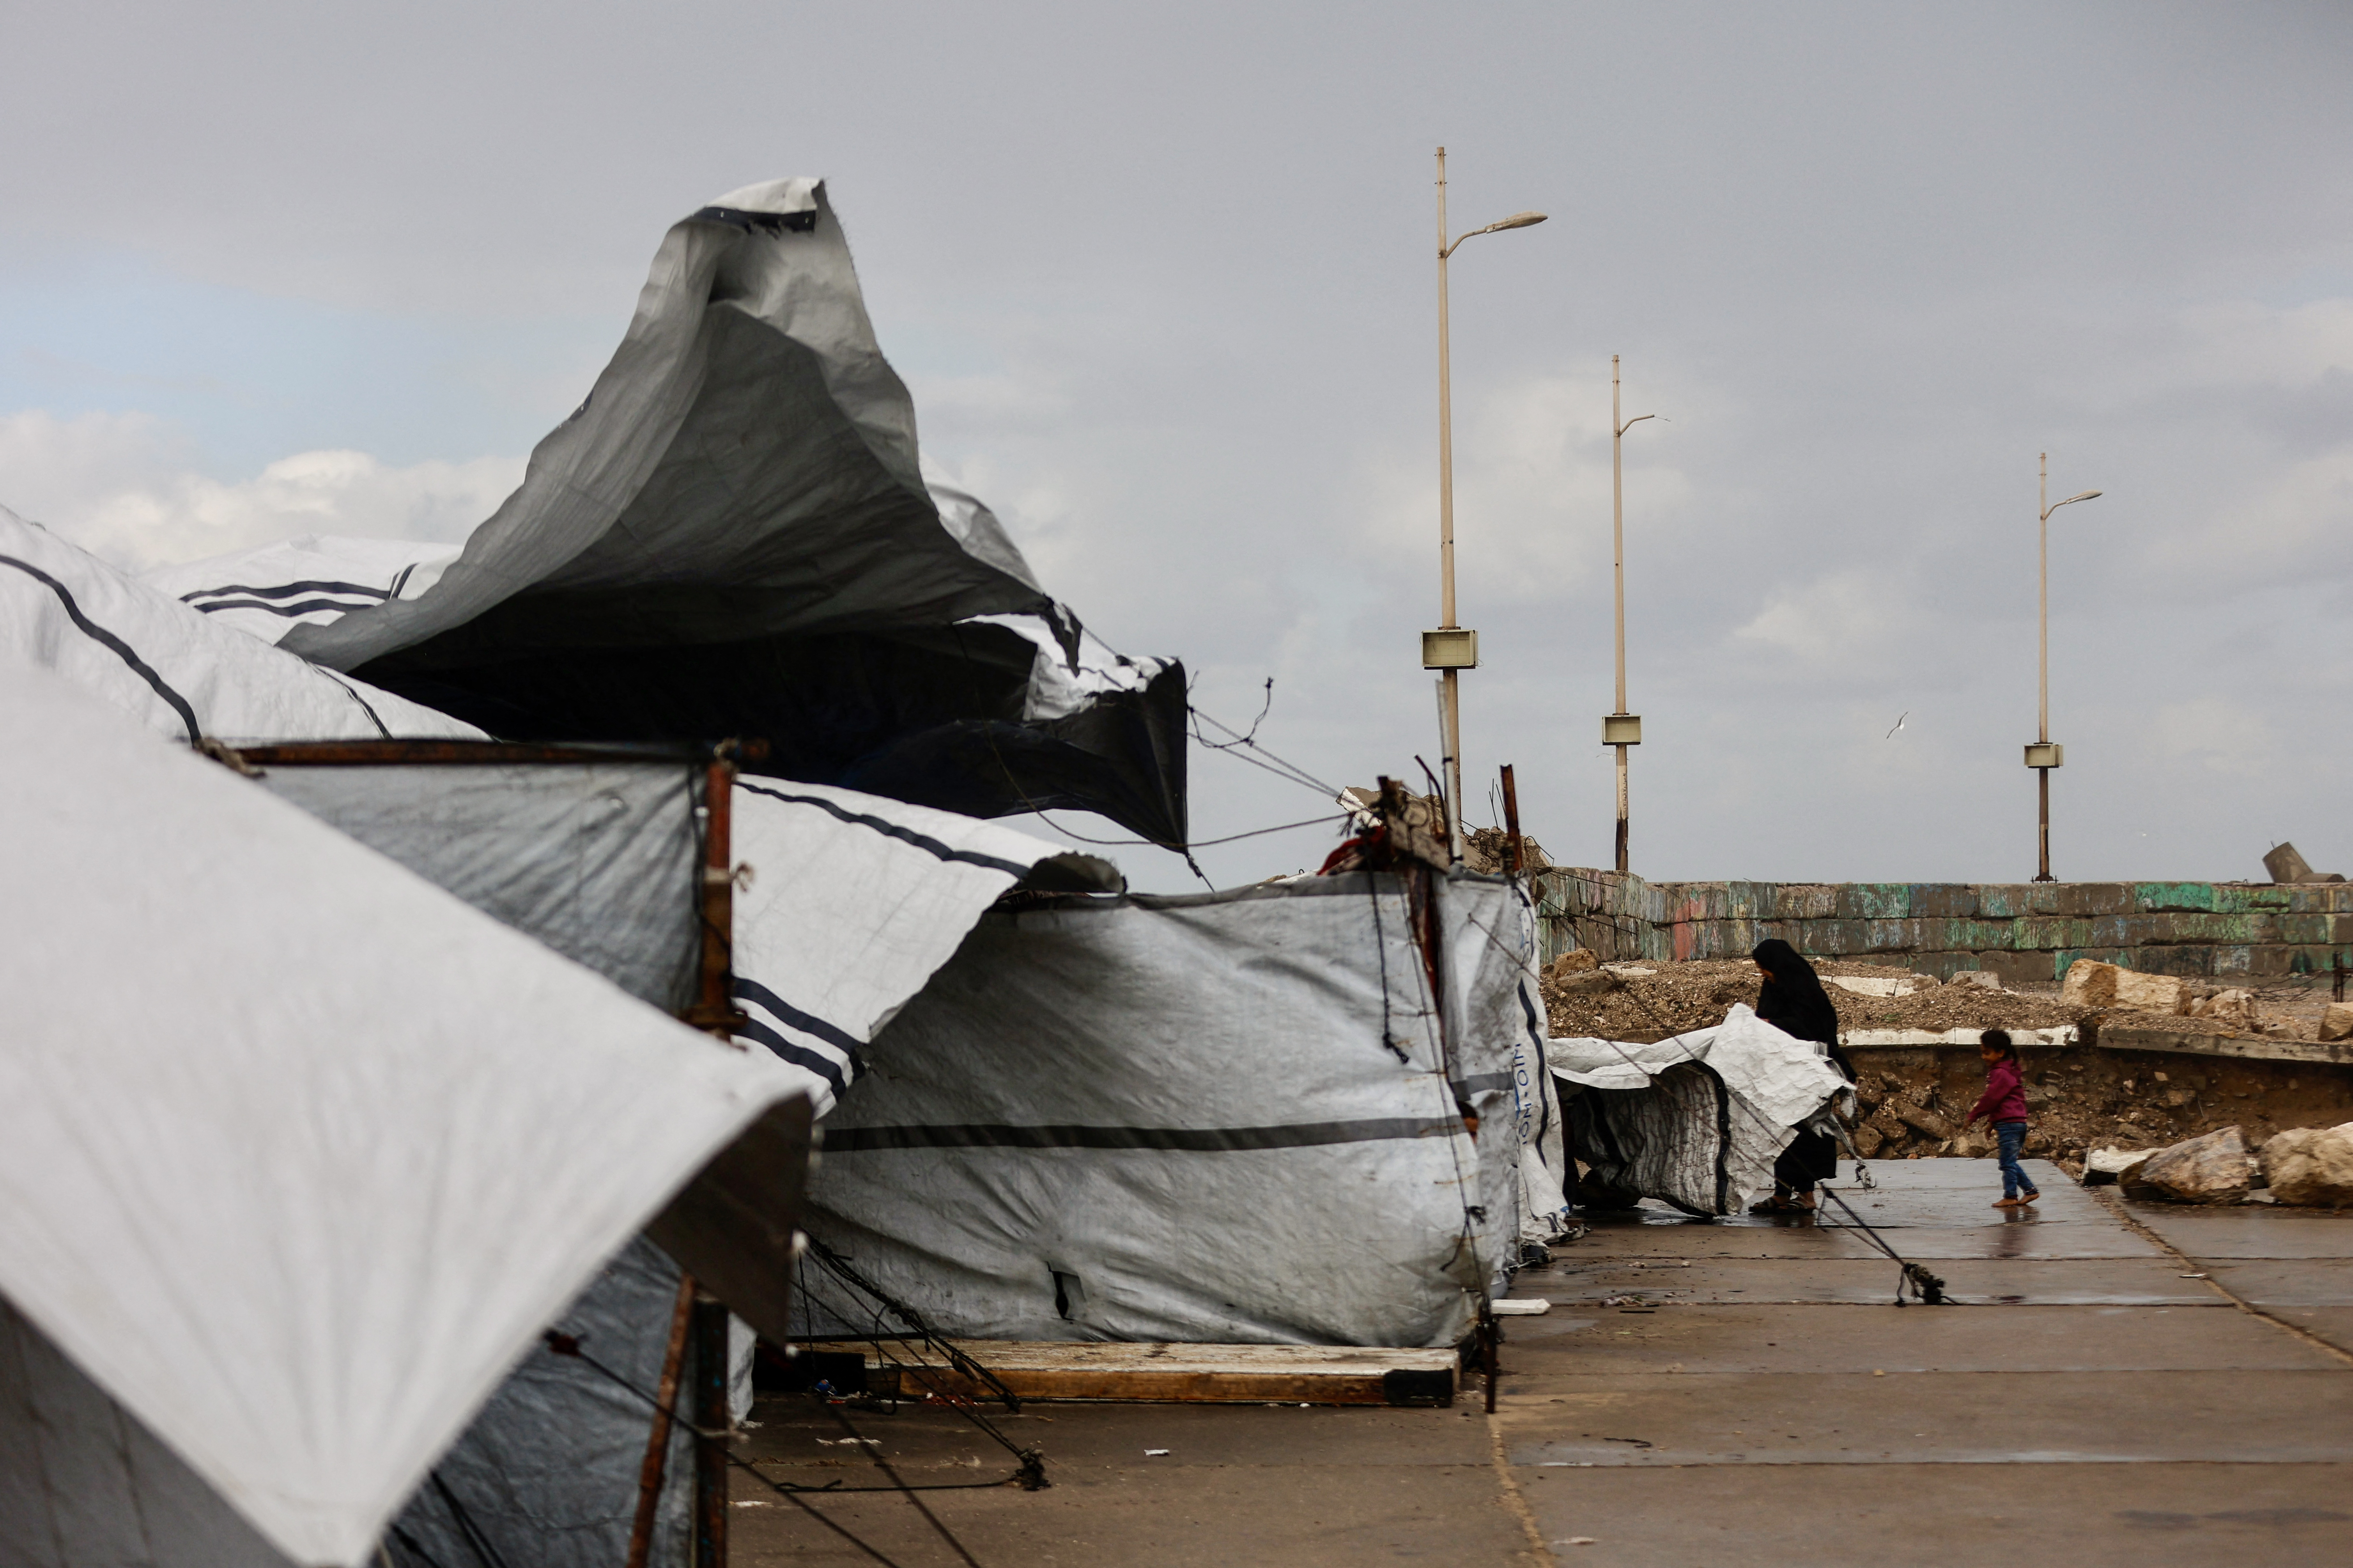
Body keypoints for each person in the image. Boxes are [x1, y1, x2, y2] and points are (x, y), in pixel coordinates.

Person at [1746, 939, 1856, 1215]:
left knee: (1806, 1133)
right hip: (1780, 1071)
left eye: (1764, 968)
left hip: (1809, 1072)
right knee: (1781, 1132)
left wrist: (1775, 1025)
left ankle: (1806, 1195)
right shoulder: (1773, 986)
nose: (1763, 974)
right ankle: (1782, 1192)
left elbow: (1814, 1028)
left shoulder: (1805, 988)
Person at [1962, 1028, 2039, 1208]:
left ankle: (2011, 1196)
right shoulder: (2009, 1072)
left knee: (2007, 1163)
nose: (1983, 1057)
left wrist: (1973, 1116)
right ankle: (2030, 1191)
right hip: (2016, 1123)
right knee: (2010, 1162)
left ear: (2001, 1053)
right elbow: (2001, 1102)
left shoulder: (2001, 1074)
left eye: (1987, 1053)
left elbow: (1992, 1099)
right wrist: (1991, 1124)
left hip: (2010, 1125)